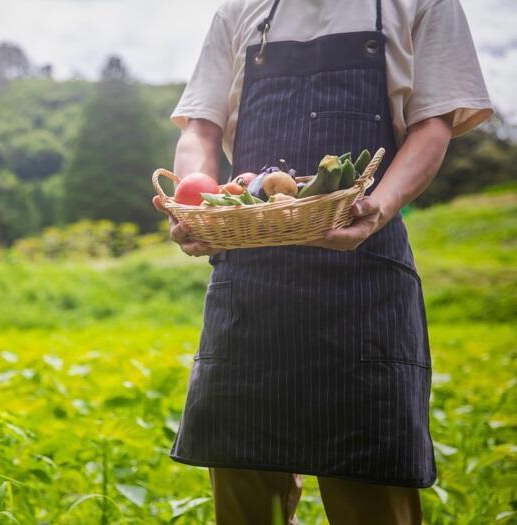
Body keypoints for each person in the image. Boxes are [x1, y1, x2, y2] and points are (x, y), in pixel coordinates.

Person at [152, 0, 493, 524]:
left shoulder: (422, 4)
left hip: (365, 283)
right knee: (246, 491)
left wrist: (376, 208)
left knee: (372, 485)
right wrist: (198, 206)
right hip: (252, 289)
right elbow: (199, 128)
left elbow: (434, 125)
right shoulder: (240, 10)